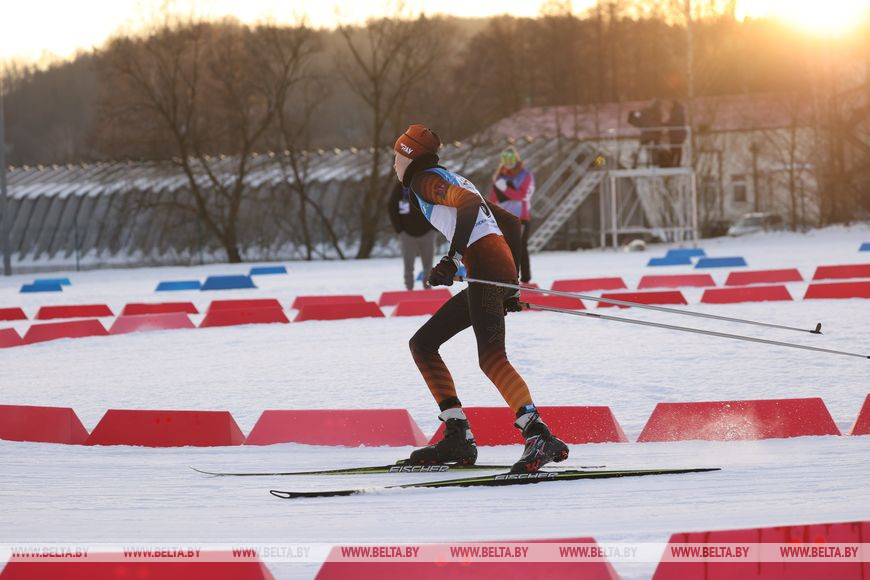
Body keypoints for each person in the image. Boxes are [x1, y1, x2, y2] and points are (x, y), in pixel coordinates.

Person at [393, 124, 569, 474]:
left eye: (396, 156)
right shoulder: (450, 177)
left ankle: (538, 434)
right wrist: (512, 286)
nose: (394, 164)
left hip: (486, 266)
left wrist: (452, 259)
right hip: (493, 268)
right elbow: (511, 222)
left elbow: (469, 204)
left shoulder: (424, 180)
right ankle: (457, 434)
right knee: (423, 344)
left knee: (491, 359)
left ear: (408, 155)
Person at [488, 146, 535, 283]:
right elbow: (493, 198)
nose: (508, 163)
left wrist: (505, 188)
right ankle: (509, 277)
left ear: (516, 159)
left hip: (520, 217)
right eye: (505, 160)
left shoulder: (525, 175)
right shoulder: (499, 176)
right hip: (504, 217)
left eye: (510, 159)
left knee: (520, 247)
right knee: (505, 248)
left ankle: (525, 278)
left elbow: (521, 195)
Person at [387, 180, 437, 290]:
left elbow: (439, 203)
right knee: (408, 265)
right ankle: (409, 290)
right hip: (407, 234)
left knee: (428, 265)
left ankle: (428, 288)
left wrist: (434, 227)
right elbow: (392, 207)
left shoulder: (428, 182)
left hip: (428, 233)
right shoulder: (400, 186)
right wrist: (399, 229)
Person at [666, 100, 687, 168]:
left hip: (677, 133)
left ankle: (675, 163)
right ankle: (675, 163)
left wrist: (667, 124)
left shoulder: (676, 112)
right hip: (677, 133)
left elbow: (676, 122)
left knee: (676, 148)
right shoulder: (678, 111)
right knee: (676, 148)